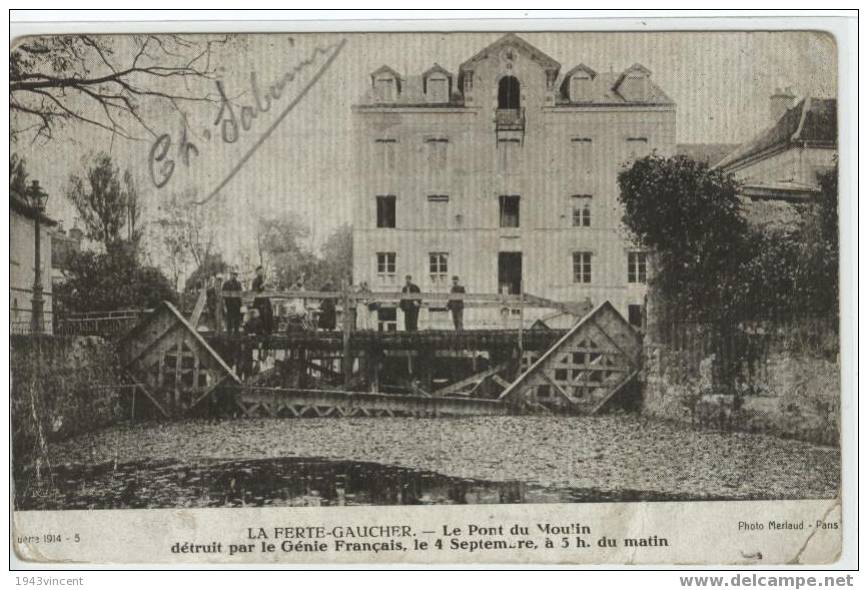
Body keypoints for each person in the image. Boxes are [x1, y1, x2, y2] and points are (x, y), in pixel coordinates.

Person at [251, 265, 274, 334]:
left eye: (262, 271)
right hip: (259, 302)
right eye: (260, 271)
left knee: (269, 314)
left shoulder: (264, 280)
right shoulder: (255, 280)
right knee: (259, 317)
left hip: (266, 301)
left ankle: (269, 331)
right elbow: (255, 290)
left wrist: (268, 287)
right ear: (257, 272)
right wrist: (262, 285)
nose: (262, 272)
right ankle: (260, 332)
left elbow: (270, 288)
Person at [222, 270, 243, 335]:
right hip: (229, 305)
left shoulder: (238, 283)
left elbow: (240, 294)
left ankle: (236, 333)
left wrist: (241, 304)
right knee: (229, 320)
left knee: (237, 320)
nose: (234, 276)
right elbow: (223, 294)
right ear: (230, 275)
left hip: (237, 305)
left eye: (235, 275)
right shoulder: (226, 283)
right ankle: (229, 333)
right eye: (233, 274)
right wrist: (224, 305)